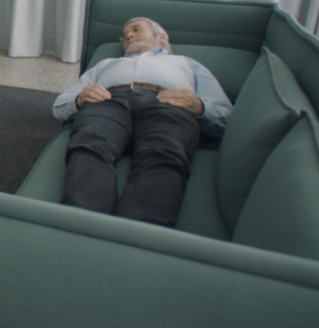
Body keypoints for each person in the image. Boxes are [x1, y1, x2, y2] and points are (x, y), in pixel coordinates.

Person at [52, 17, 233, 226]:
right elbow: (59, 106)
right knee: (89, 146)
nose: (128, 35)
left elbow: (227, 117)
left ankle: (138, 232)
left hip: (167, 103)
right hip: (107, 101)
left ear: (161, 37)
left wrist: (200, 107)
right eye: (124, 35)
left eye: (136, 29)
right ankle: (81, 227)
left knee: (163, 153)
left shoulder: (187, 64)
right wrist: (78, 99)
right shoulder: (106, 64)